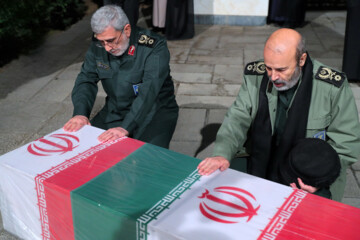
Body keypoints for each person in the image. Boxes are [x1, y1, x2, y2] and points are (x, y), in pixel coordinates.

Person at [197, 28, 360, 202]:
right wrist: (221, 153)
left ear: (302, 59)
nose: (273, 77)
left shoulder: (331, 87)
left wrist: (319, 177)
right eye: (269, 68)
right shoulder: (255, 75)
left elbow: (346, 143)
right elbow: (237, 118)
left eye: (281, 69)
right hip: (260, 158)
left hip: (307, 172)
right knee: (220, 193)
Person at [63, 5, 179, 149]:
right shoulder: (99, 44)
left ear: (127, 30)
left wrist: (125, 127)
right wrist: (80, 113)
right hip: (117, 109)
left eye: (111, 40)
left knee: (148, 161)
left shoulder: (154, 47)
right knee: (84, 148)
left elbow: (148, 91)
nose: (107, 47)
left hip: (154, 112)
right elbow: (86, 79)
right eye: (102, 42)